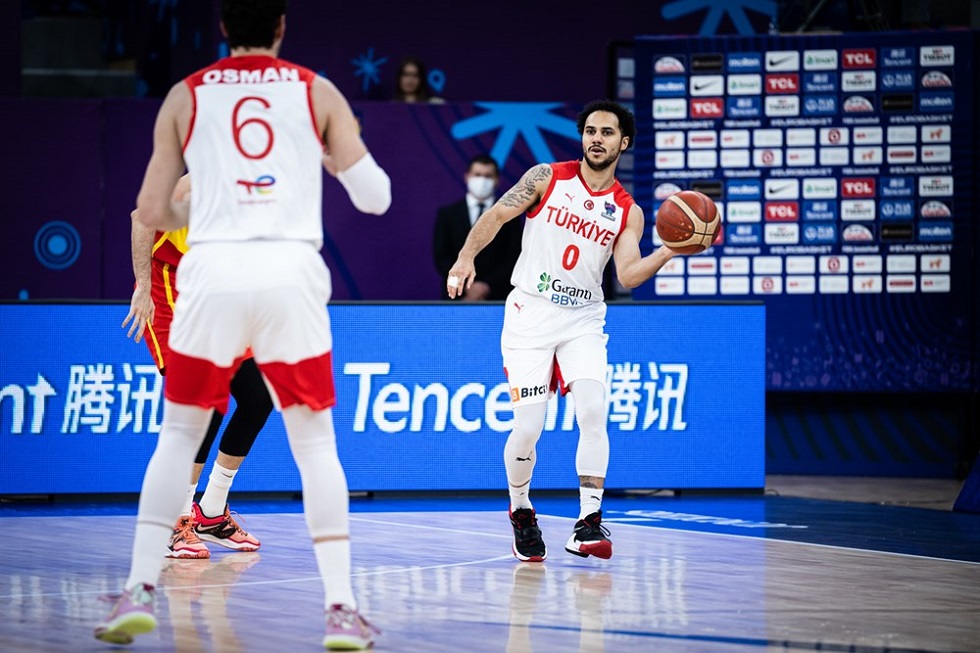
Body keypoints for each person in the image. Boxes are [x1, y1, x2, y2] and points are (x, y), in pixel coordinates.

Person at [95, 1, 391, 649]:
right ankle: (340, 608)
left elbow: (151, 208)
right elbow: (376, 198)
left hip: (212, 277)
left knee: (179, 434)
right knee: (315, 446)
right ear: (282, 27)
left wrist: (209, 199)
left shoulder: (186, 94)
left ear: (224, 28)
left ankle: (138, 589)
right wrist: (332, 161)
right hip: (289, 276)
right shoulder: (317, 91)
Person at [446, 99, 679, 563]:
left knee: (593, 411)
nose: (597, 139)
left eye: (607, 133)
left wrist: (670, 250)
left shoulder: (627, 211)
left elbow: (629, 274)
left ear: (624, 143)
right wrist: (465, 256)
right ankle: (521, 510)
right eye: (590, 131)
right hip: (530, 313)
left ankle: (588, 522)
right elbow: (496, 216)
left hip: (583, 319)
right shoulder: (546, 177)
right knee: (529, 426)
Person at [123, 174, 271, 559]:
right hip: (169, 295)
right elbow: (141, 218)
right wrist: (142, 287)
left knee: (258, 397)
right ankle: (174, 519)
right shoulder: (201, 183)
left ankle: (211, 512)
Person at [433, 154, 521, 300]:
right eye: (477, 175)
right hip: (456, 295)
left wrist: (486, 286)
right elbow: (442, 257)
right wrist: (465, 285)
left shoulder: (510, 216)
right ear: (467, 176)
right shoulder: (448, 214)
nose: (482, 180)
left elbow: (514, 257)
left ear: (497, 180)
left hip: (497, 297)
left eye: (488, 176)